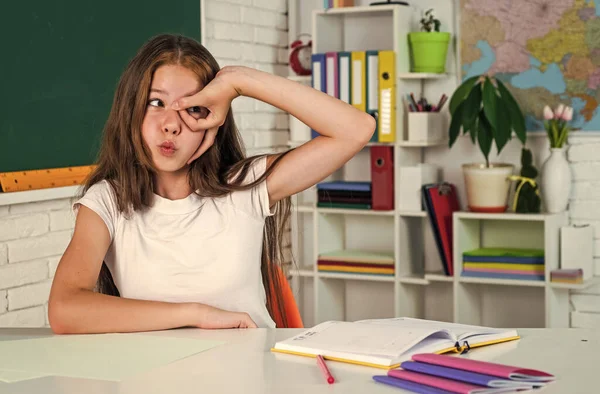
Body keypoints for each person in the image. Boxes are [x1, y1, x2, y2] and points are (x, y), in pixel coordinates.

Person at [48, 34, 375, 334]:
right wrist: (196, 314)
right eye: (156, 103)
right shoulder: (107, 201)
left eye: (192, 108)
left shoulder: (246, 186)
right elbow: (64, 310)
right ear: (130, 109)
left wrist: (238, 81)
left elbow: (355, 129)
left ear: (213, 119)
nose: (171, 125)